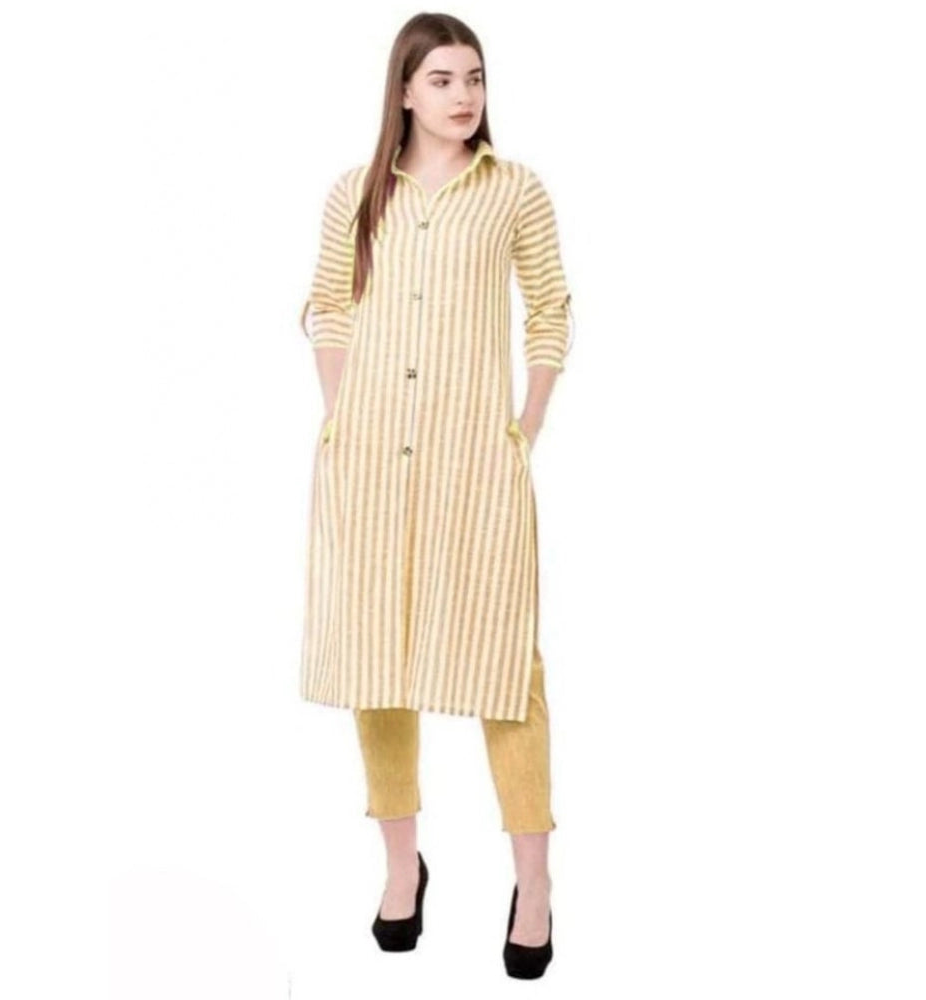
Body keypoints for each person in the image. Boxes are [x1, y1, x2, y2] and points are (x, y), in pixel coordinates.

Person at [297, 13, 573, 978]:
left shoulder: (514, 190)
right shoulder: (356, 193)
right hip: (370, 461)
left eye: (476, 78)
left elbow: (551, 309)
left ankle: (533, 882)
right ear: (406, 92)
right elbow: (329, 304)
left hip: (476, 464)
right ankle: (401, 866)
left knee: (506, 668)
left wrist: (524, 425)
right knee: (377, 664)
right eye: (445, 79)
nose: (464, 96)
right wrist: (342, 415)